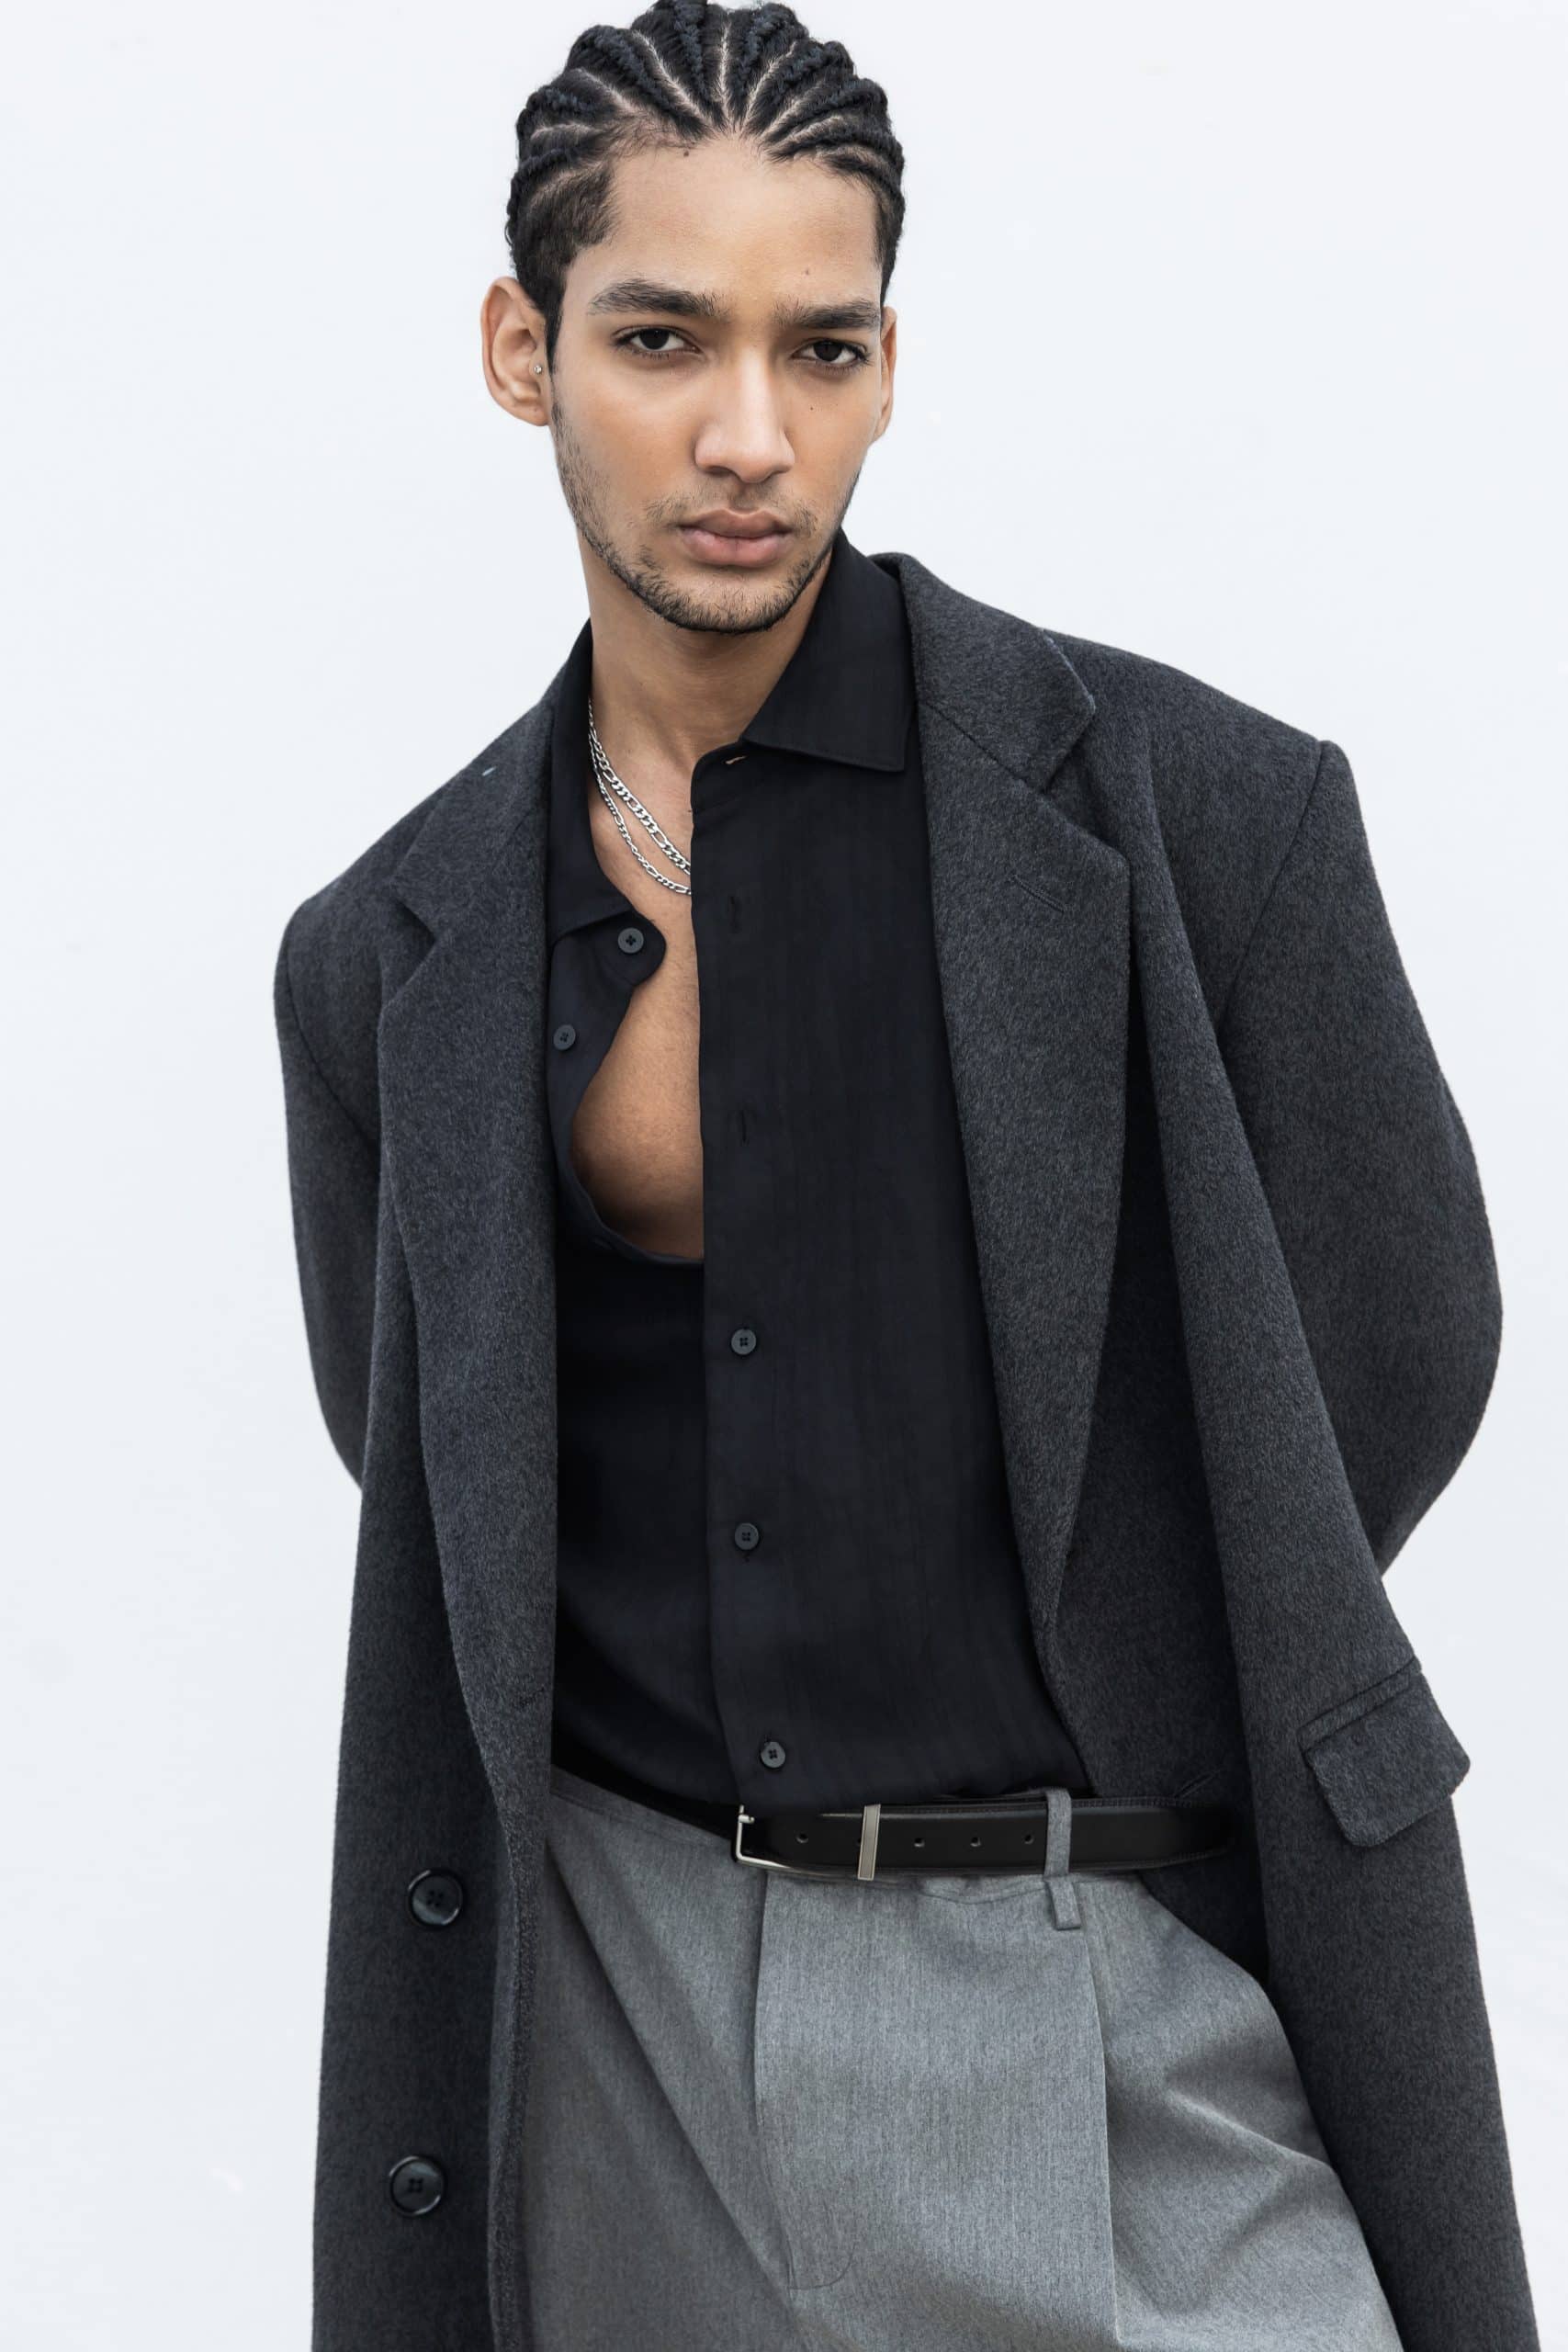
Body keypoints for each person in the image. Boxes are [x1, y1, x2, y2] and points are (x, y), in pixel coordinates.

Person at [272, 5, 1540, 2347]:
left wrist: (1133, 1668)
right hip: (617, 2019)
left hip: (1092, 1993)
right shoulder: (388, 960)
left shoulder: (1205, 821)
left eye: (820, 347)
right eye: (662, 338)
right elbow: (435, 1473)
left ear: (884, 364)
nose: (748, 435)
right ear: (522, 351)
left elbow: (1402, 1335)